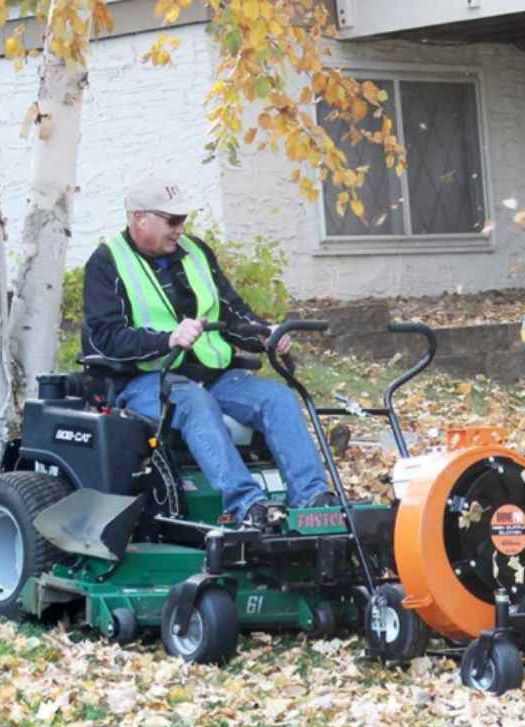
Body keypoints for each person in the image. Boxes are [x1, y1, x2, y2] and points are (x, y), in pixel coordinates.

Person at [81, 176, 335, 528]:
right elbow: (106, 338)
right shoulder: (106, 263)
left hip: (211, 375)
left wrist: (263, 333)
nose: (180, 229)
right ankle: (247, 506)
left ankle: (313, 500)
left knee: (276, 398)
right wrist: (167, 339)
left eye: (184, 220)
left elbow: (231, 310)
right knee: (195, 403)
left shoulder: (196, 252)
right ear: (140, 218)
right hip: (145, 381)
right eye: (173, 220)